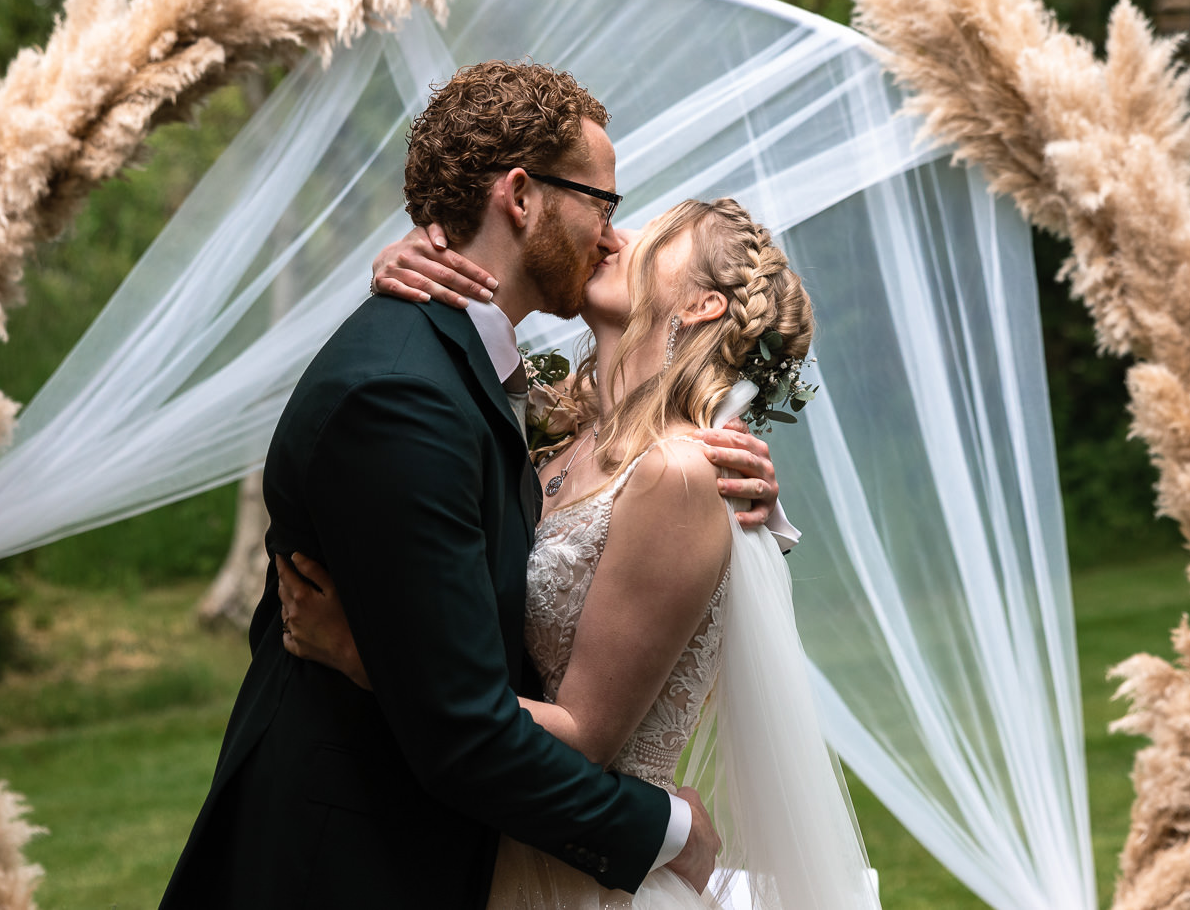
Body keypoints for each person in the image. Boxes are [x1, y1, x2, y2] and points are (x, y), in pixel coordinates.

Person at [159, 61, 785, 910]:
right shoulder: (407, 391)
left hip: (481, 843)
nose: (611, 235)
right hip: (345, 864)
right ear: (521, 196)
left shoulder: (523, 397)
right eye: (604, 204)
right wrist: (668, 829)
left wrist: (759, 518)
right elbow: (461, 724)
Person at [285, 197, 878, 908]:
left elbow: (585, 738)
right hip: (501, 839)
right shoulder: (562, 432)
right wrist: (407, 264)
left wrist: (369, 656)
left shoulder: (678, 471)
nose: (615, 237)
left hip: (581, 877)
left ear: (699, 303)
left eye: (654, 239)